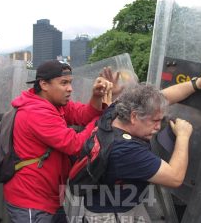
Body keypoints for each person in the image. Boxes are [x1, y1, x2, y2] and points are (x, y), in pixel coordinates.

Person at [3, 59, 112, 223]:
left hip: (50, 198)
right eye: (64, 83)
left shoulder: (52, 103)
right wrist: (104, 117)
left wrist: (97, 97)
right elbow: (75, 145)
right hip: (31, 202)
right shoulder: (36, 112)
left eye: (70, 82)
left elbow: (82, 115)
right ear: (44, 84)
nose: (70, 88)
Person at [82, 83, 193, 222]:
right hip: (111, 214)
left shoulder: (115, 112)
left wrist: (196, 84)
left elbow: (162, 98)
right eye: (155, 121)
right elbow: (175, 178)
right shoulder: (125, 151)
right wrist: (183, 136)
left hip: (113, 201)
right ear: (134, 116)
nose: (158, 127)